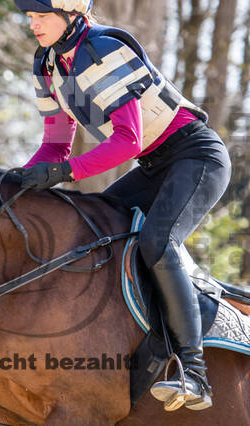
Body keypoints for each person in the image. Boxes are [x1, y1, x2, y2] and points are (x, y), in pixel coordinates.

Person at [14, 0, 232, 411]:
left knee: (158, 241)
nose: (33, 24)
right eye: (30, 16)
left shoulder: (102, 48)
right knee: (90, 231)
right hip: (153, 165)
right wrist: (12, 182)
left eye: (41, 15)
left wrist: (64, 174)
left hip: (196, 155)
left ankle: (195, 371)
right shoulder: (47, 65)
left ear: (73, 13)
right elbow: (55, 145)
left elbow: (127, 139)